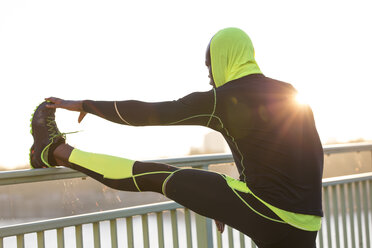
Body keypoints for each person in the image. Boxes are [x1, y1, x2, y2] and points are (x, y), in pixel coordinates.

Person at [30, 27, 324, 248]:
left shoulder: (222, 100)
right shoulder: (289, 92)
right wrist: (230, 202)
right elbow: (302, 157)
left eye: (209, 65)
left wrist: (85, 105)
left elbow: (147, 114)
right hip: (306, 223)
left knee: (156, 175)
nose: (209, 76)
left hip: (273, 215)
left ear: (224, 59)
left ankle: (53, 151)